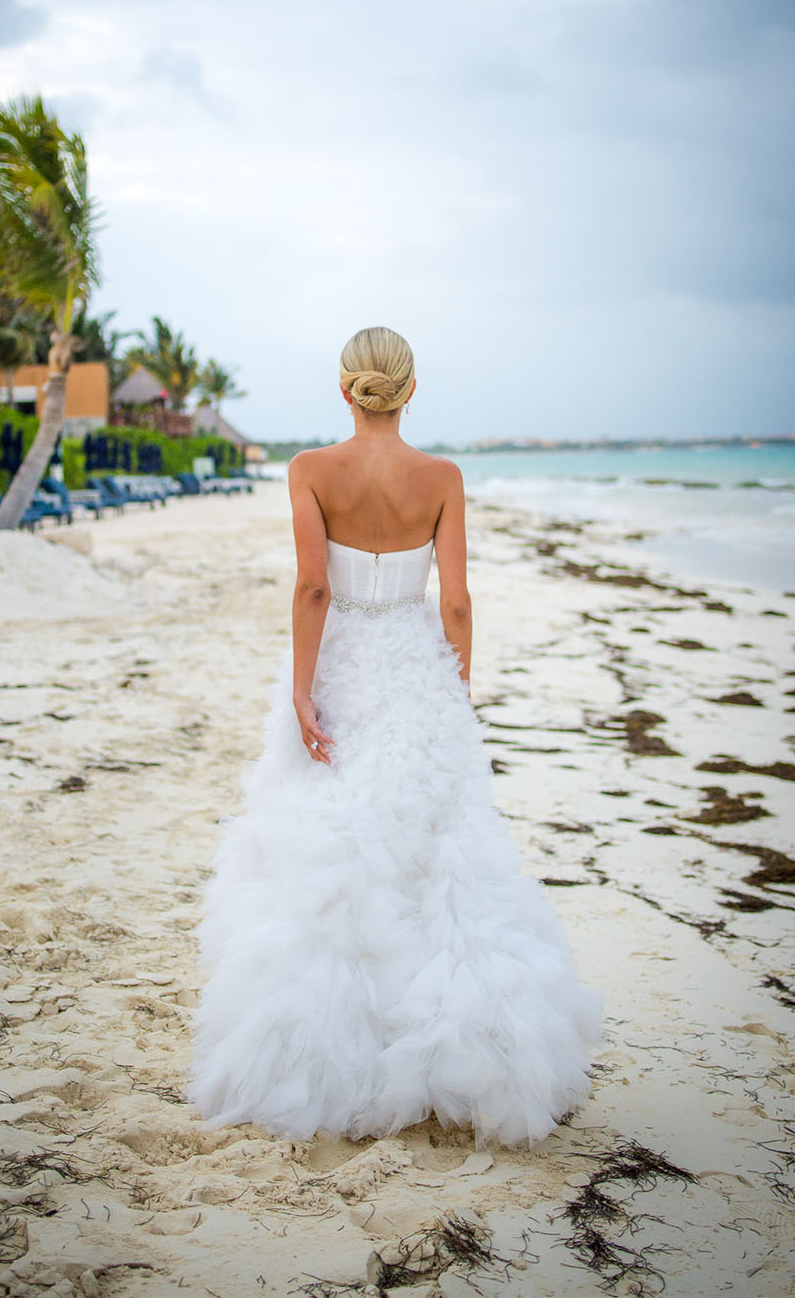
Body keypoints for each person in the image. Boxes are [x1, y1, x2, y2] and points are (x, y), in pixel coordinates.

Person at [189, 326, 603, 1148]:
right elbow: (456, 599)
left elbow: (313, 587)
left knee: (331, 847)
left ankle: (323, 1055)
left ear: (345, 389)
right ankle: (476, 1051)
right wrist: (458, 680)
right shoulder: (442, 476)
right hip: (417, 667)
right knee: (440, 852)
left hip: (341, 659)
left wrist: (303, 691)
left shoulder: (310, 471)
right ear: (410, 391)